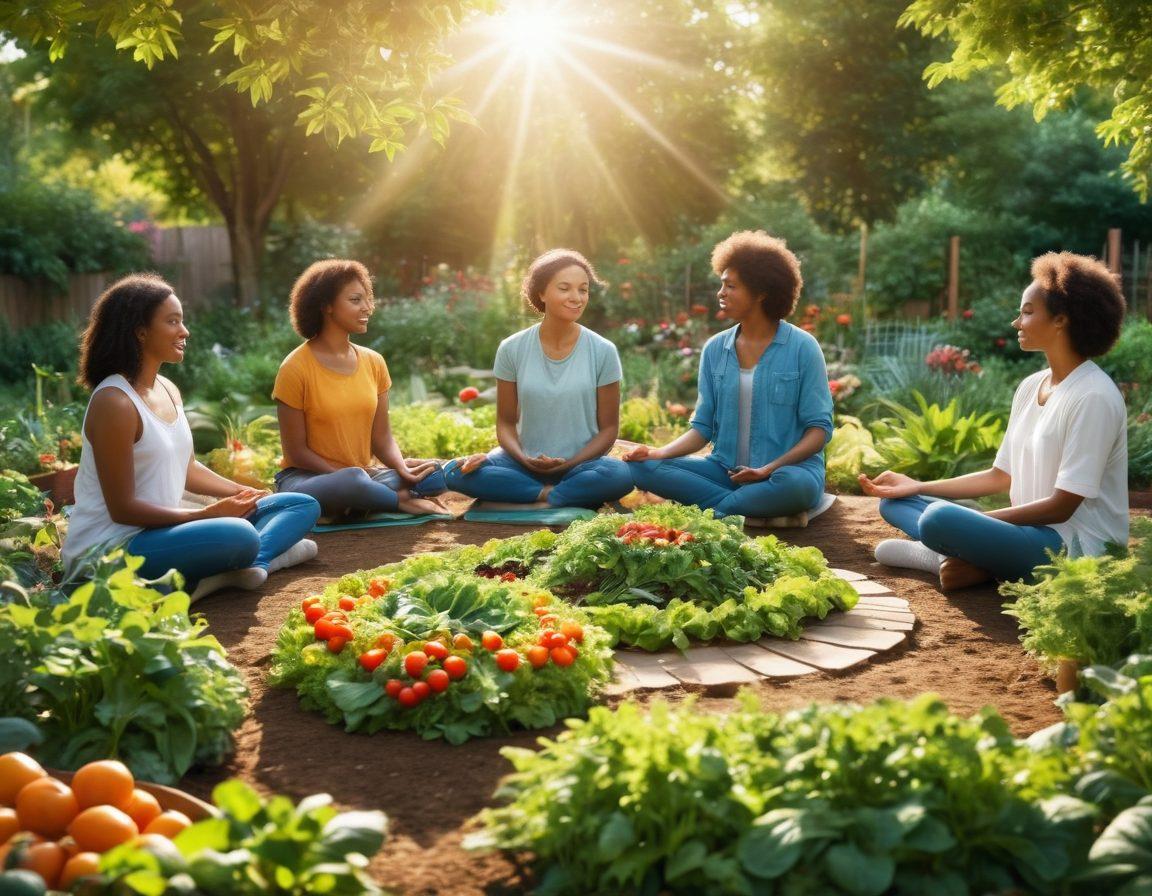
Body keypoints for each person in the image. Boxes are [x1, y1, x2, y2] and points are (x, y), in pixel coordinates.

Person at [861, 251, 1129, 591]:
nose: (1017, 322)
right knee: (896, 502)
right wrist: (916, 486)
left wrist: (971, 524)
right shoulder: (1031, 385)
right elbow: (1000, 476)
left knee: (939, 519)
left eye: (1028, 312)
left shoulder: (1094, 396)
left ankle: (946, 554)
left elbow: (1062, 508)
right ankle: (966, 557)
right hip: (1025, 534)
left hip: (1073, 549)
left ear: (1061, 320)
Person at [62, 274, 320, 601]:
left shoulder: (168, 389)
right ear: (140, 332)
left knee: (299, 504)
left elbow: (188, 469)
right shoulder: (115, 402)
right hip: (113, 548)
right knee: (239, 535)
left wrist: (242, 492)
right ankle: (242, 563)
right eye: (172, 322)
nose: (185, 332)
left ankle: (244, 568)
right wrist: (205, 515)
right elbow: (122, 509)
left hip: (165, 532)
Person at [624, 231, 833, 520]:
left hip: (785, 474)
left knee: (795, 486)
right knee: (642, 468)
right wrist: (658, 453)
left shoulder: (803, 348)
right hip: (725, 471)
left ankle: (719, 507)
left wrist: (767, 469)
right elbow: (702, 429)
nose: (721, 293)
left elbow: (820, 430)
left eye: (730, 286)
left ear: (761, 292)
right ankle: (734, 506)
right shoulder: (715, 349)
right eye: (721, 285)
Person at [444, 249, 633, 509]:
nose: (576, 298)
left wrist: (569, 463)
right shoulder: (511, 348)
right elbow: (506, 423)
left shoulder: (603, 350)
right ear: (541, 293)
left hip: (582, 465)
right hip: (521, 463)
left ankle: (529, 494)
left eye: (583, 290)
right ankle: (551, 495)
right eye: (565, 288)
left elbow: (609, 429)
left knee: (619, 475)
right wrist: (523, 459)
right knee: (455, 472)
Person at [273, 259, 448, 517]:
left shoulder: (373, 362)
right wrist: (352, 476)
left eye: (368, 299)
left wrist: (401, 468)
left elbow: (382, 438)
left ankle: (368, 499)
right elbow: (296, 452)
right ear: (326, 306)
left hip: (366, 476)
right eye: (355, 300)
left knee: (435, 474)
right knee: (353, 481)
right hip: (307, 480)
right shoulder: (294, 368)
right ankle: (398, 501)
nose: (367, 307)